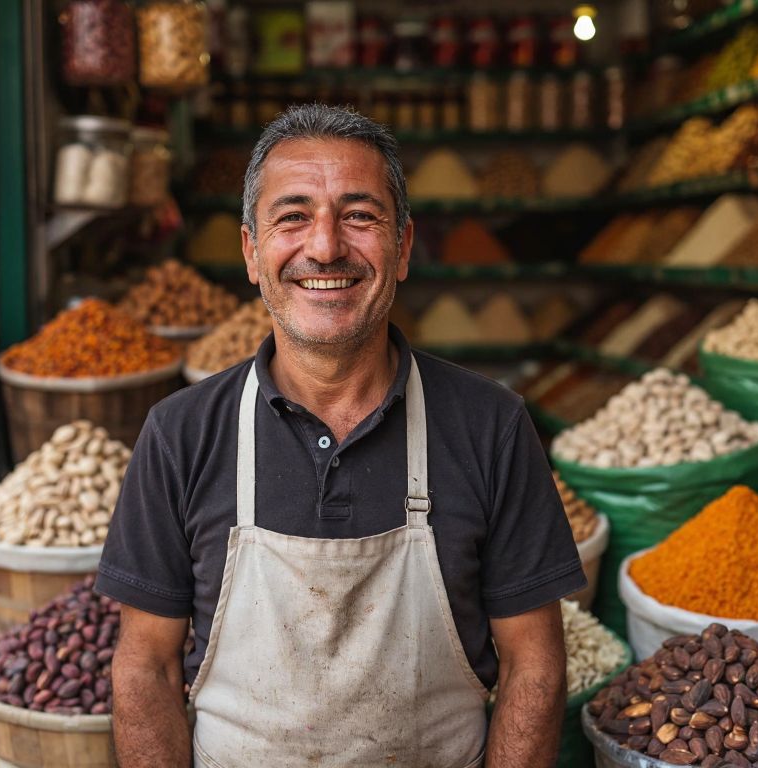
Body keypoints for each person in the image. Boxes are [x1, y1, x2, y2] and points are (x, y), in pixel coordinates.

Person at [99, 103, 585, 768]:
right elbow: (145, 669)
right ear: (251, 251)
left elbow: (535, 663)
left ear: (404, 247)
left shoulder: (491, 425)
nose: (325, 247)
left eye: (359, 216)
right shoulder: (181, 434)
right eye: (292, 217)